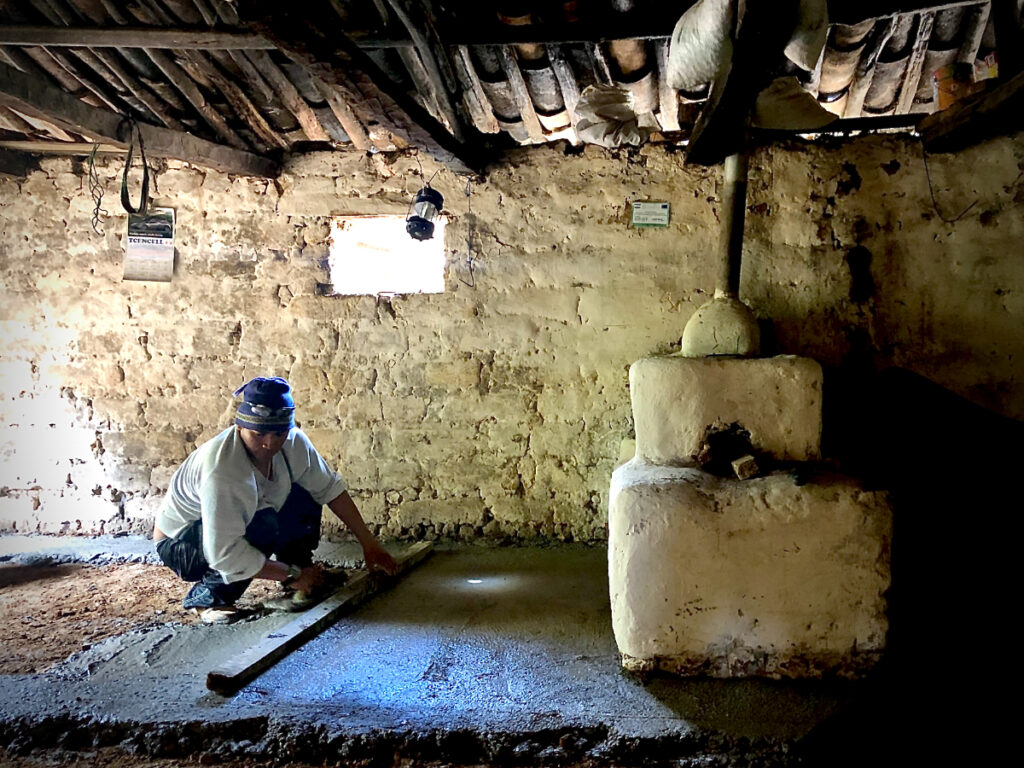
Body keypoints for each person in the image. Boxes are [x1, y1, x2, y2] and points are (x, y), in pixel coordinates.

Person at [153, 376, 397, 623]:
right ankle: (209, 598)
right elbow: (223, 552)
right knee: (263, 525)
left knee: (304, 492)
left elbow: (330, 489)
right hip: (181, 543)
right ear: (240, 427)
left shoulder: (293, 443)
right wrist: (291, 574)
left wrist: (369, 544)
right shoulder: (221, 468)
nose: (270, 443)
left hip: (234, 526)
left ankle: (302, 571)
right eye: (259, 434)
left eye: (279, 433)